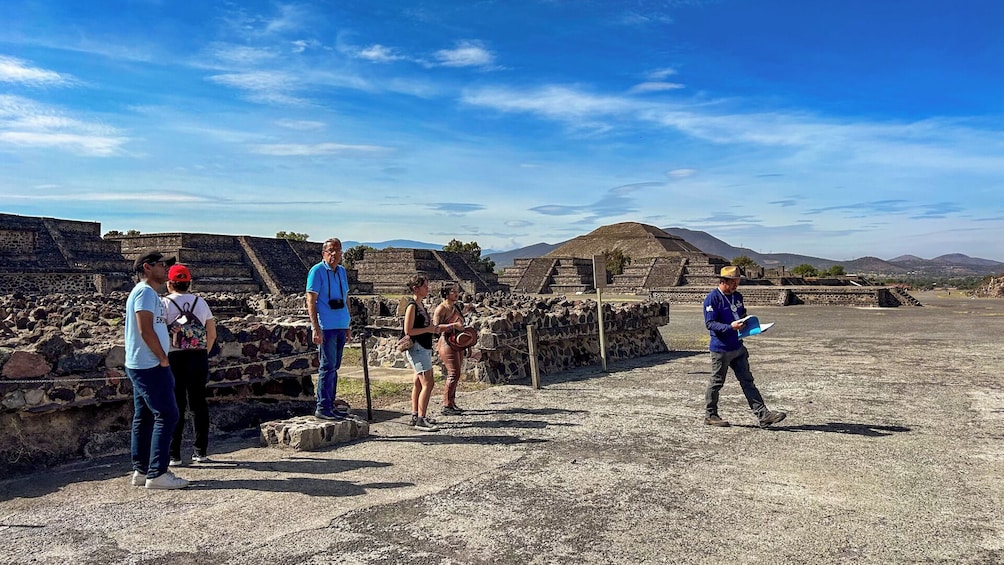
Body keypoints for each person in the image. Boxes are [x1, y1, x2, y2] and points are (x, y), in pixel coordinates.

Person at [124, 250, 190, 489]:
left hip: (142, 362)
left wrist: (170, 329)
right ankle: (158, 473)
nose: (166, 269)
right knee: (168, 414)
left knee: (145, 416)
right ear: (147, 267)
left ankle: (142, 470)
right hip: (150, 363)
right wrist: (163, 358)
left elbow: (153, 326)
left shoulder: (149, 294)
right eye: (162, 265)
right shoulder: (144, 292)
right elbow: (145, 329)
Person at [703, 265, 787, 428]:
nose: (736, 285)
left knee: (748, 381)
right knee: (717, 382)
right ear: (723, 281)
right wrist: (730, 327)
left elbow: (741, 315)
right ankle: (710, 415)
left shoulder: (738, 296)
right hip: (721, 348)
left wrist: (752, 326)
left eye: (737, 282)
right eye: (733, 282)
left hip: (738, 346)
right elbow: (710, 323)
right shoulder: (712, 298)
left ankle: (763, 415)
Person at [162, 264, 217, 466]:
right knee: (198, 405)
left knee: (175, 404)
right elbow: (212, 334)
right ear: (188, 283)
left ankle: (174, 454)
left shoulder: (164, 304)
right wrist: (203, 352)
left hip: (174, 357)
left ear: (170, 284)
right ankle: (200, 451)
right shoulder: (200, 303)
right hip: (198, 356)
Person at [403, 274, 461, 431]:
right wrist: (428, 329)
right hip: (418, 348)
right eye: (425, 286)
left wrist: (449, 326)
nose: (427, 289)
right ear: (416, 288)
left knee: (418, 383)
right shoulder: (412, 306)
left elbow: (433, 327)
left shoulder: (420, 305)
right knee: (428, 383)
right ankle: (421, 419)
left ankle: (416, 414)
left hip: (424, 346)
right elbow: (408, 330)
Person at [306, 238, 352, 420]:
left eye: (337, 251)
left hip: (340, 324)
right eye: (330, 251)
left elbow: (346, 297)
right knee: (327, 366)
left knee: (335, 367)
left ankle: (330, 404)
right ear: (324, 253)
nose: (334, 254)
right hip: (326, 326)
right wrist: (315, 328)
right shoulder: (317, 271)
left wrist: (348, 323)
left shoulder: (341, 271)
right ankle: (323, 407)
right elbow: (311, 300)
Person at [433, 283, 467, 415]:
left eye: (456, 291)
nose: (456, 293)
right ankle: (446, 405)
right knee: (453, 373)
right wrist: (453, 325)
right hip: (447, 341)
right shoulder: (441, 309)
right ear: (446, 294)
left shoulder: (455, 307)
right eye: (453, 291)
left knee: (457, 373)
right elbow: (435, 327)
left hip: (457, 342)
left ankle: (451, 402)